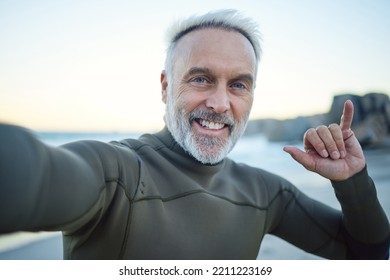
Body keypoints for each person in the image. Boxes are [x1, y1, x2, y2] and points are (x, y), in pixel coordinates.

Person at [0, 9, 389, 260]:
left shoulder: (265, 192)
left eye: (238, 85)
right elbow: (36, 175)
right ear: (166, 87)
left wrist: (353, 182)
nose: (220, 103)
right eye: (201, 78)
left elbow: (366, 253)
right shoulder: (115, 173)